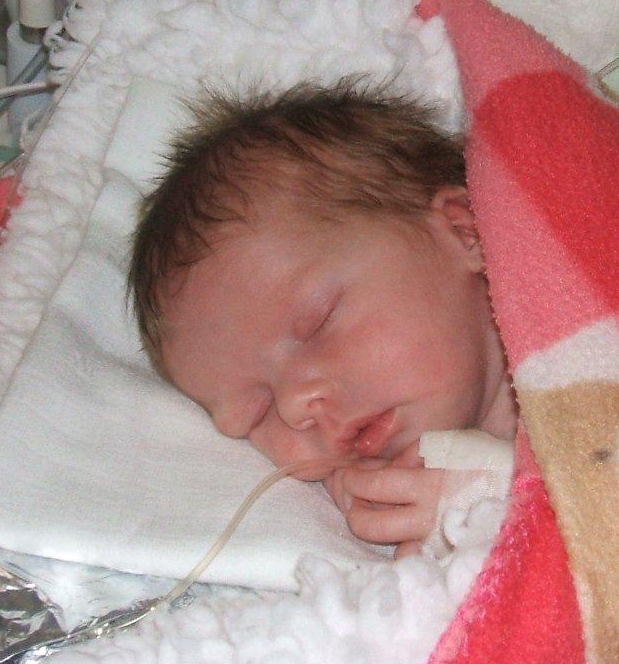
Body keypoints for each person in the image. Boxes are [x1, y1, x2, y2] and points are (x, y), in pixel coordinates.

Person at [127, 80, 516, 555]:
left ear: (463, 230)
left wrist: (498, 504)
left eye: (318, 324)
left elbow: (605, 494)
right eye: (258, 413)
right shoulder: (416, 507)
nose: (296, 406)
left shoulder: (582, 314)